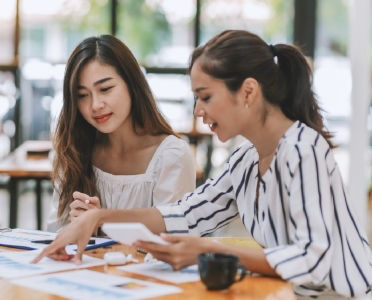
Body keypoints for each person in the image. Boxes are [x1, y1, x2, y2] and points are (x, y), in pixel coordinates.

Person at [33, 30, 372, 298]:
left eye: (206, 96)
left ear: (248, 92)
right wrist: (99, 217)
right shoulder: (245, 160)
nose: (198, 110)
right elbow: (186, 214)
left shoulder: (302, 149)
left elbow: (315, 261)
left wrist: (212, 251)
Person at [45, 35, 196, 232]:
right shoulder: (75, 150)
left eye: (105, 89)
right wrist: (77, 227)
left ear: (132, 85)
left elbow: (175, 242)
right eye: (82, 95)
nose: (95, 105)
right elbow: (54, 234)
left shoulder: (172, 157)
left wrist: (104, 223)